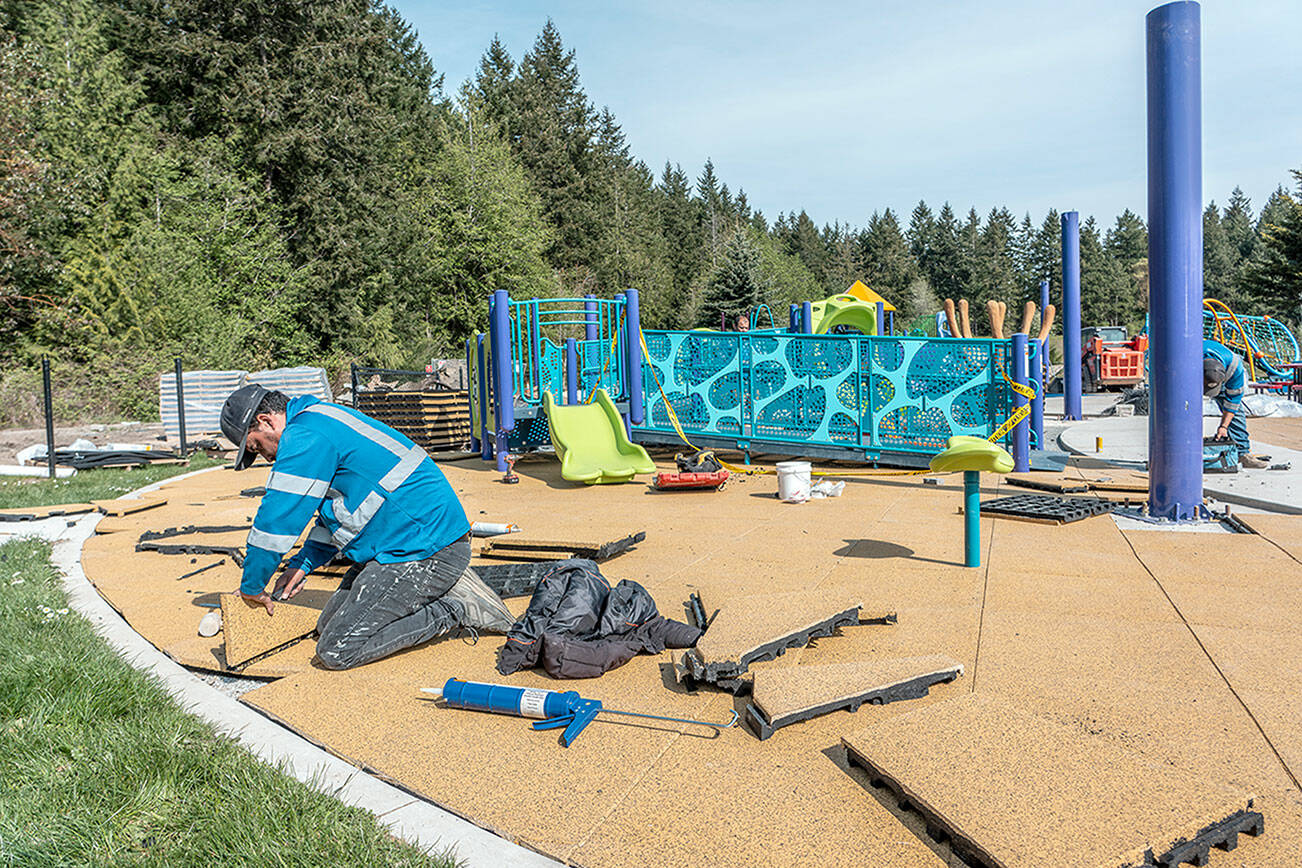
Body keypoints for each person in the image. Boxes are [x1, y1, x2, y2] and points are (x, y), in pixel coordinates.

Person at [219, 384, 514, 669]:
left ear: (266, 420)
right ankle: (439, 591)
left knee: (337, 649)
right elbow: (336, 514)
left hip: (427, 550)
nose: (266, 456)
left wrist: (252, 587)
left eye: (256, 445)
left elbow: (277, 519)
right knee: (326, 626)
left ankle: (455, 609)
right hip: (403, 542)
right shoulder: (318, 420)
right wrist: (302, 564)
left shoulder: (305, 435)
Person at [1203, 339, 1267, 469]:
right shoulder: (1187, 360)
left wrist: (1223, 427)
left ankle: (1243, 453)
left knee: (1236, 413)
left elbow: (1233, 402)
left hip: (1222, 373)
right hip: (1194, 373)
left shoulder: (1234, 368)